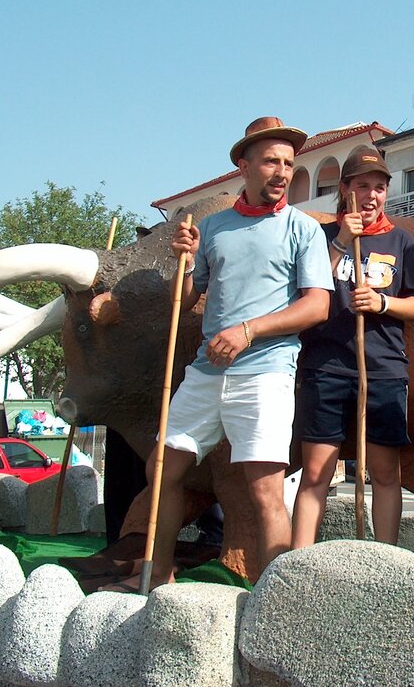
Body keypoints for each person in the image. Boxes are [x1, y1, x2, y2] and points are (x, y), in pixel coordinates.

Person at [138, 117, 333, 588]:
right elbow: (183, 300)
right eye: (271, 161)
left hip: (266, 371)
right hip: (206, 370)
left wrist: (249, 330)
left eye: (288, 163)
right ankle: (157, 578)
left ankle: (274, 608)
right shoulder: (212, 227)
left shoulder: (303, 229)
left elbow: (318, 305)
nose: (282, 171)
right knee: (161, 468)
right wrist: (181, 261)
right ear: (243, 165)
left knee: (265, 490)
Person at [291, 145, 414, 548]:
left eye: (379, 187)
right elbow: (307, 289)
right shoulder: (319, 237)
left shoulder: (400, 241)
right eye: (362, 186)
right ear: (344, 189)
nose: (371, 195)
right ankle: (297, 565)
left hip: (384, 370)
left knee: (386, 473)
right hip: (327, 366)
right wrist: (340, 241)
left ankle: (385, 560)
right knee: (316, 472)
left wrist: (382, 302)